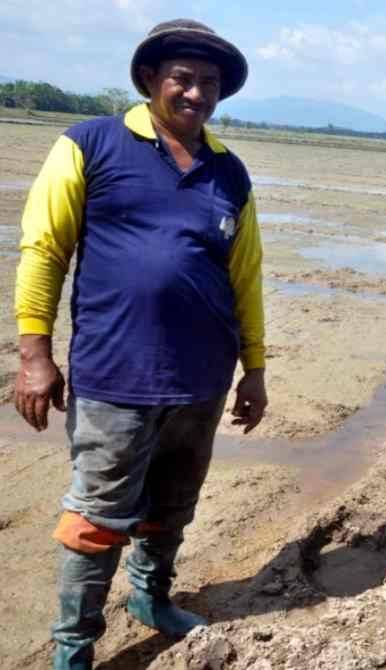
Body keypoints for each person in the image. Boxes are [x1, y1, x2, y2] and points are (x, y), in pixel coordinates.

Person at [13, 19, 266, 669]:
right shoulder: (89, 144)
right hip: (115, 377)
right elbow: (44, 250)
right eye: (183, 77)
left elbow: (247, 277)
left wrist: (254, 369)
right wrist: (35, 355)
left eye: (209, 83)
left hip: (203, 379)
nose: (196, 93)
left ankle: (152, 598)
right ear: (151, 79)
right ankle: (74, 648)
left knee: (173, 505)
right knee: (97, 518)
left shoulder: (229, 174)